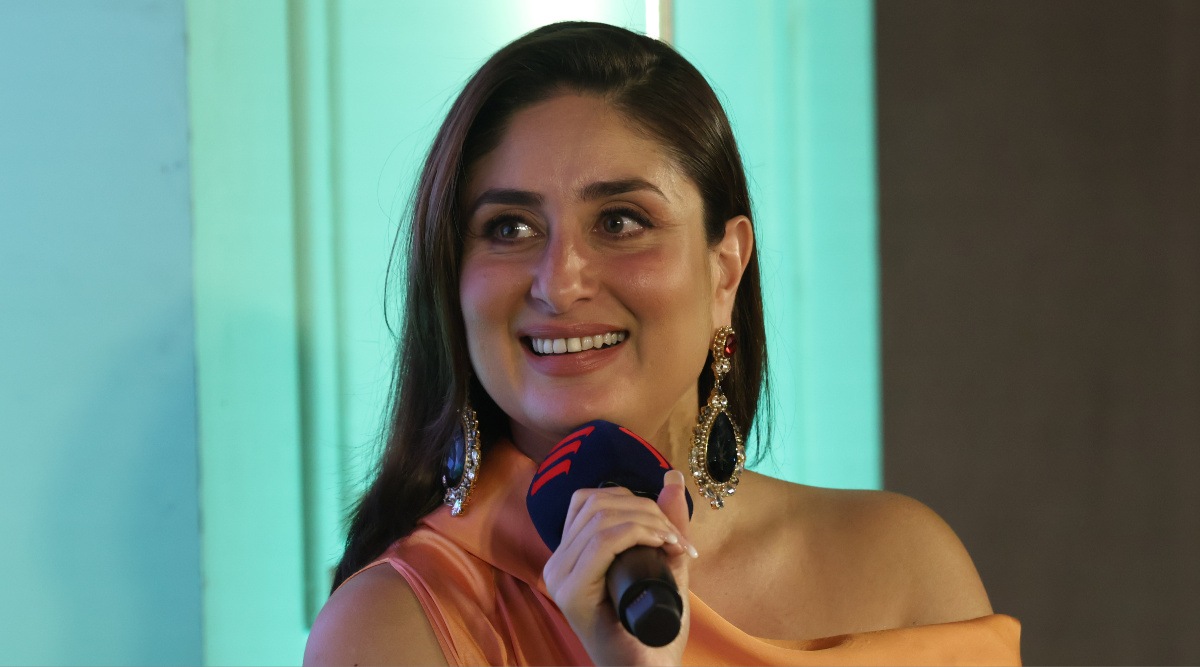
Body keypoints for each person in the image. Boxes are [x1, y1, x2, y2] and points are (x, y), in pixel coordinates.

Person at [304, 21, 1020, 666]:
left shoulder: (903, 569)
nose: (560, 282)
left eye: (620, 221)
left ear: (725, 269)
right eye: (510, 228)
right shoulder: (391, 627)